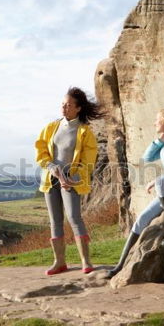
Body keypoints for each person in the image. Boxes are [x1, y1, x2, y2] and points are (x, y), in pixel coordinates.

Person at [106, 108, 164, 279]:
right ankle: (120, 265)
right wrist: (158, 141)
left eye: (157, 119)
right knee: (142, 219)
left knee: (161, 181)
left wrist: (158, 181)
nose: (154, 123)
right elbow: (147, 158)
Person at [35, 87, 103, 275]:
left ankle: (85, 261)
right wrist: (51, 168)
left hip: (71, 182)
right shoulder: (51, 127)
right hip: (51, 180)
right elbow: (41, 151)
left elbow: (88, 160)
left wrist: (72, 179)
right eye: (62, 105)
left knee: (74, 218)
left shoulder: (84, 131)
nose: (64, 108)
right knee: (55, 221)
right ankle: (59, 262)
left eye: (68, 105)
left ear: (78, 108)